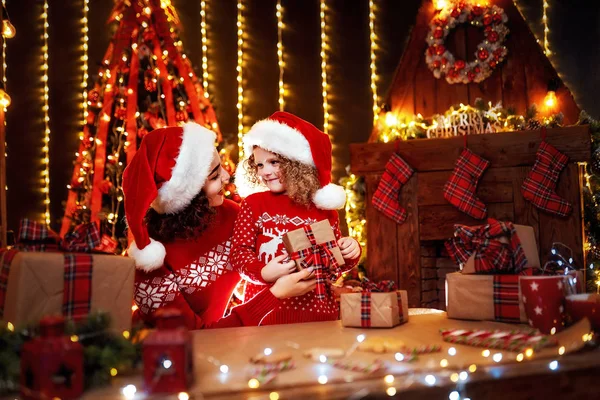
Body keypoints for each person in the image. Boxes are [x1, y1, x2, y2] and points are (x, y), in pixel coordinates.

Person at [122, 122, 316, 329]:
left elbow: (273, 247)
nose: (226, 176)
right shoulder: (151, 261)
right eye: (214, 175)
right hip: (166, 354)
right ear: (188, 193)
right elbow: (195, 336)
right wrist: (275, 295)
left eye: (221, 167)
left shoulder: (231, 213)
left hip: (223, 344)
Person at [231, 111, 362, 325]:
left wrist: (350, 252)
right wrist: (262, 272)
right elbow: (239, 253)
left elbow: (333, 262)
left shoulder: (322, 208)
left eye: (274, 162)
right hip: (266, 315)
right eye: (259, 165)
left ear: (296, 164)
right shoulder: (253, 204)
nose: (265, 171)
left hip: (318, 316)